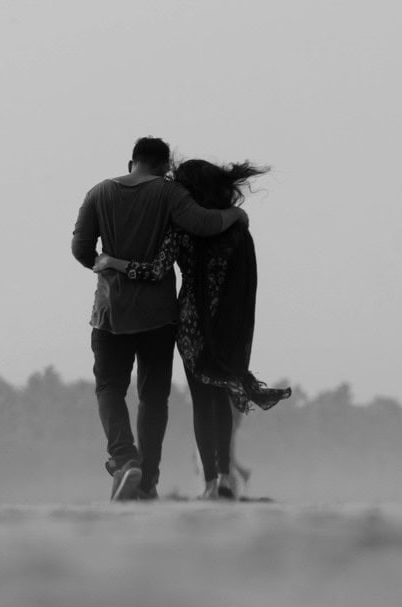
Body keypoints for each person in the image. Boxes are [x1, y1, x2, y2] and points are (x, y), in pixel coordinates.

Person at [93, 159, 291, 500]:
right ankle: (226, 479)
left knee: (202, 400)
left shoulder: (182, 230)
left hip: (191, 324)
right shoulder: (237, 230)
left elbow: (155, 271)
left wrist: (114, 262)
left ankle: (211, 483)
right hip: (227, 324)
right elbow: (247, 283)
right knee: (221, 396)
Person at [71, 137, 249, 501]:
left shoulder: (98, 193)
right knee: (154, 397)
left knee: (109, 388)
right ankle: (148, 481)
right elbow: (201, 222)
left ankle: (124, 460)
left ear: (131, 161)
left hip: (110, 312)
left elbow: (80, 249)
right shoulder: (168, 194)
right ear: (165, 167)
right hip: (158, 316)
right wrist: (236, 214)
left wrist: (105, 266)